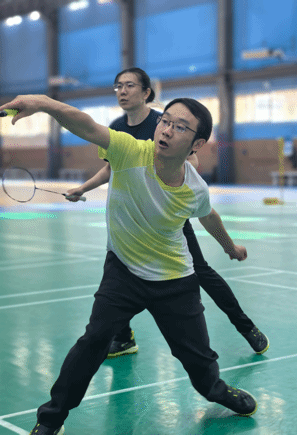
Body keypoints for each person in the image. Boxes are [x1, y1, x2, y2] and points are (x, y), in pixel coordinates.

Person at [0, 94, 258, 435]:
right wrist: (44, 103)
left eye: (180, 127)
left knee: (199, 361)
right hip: (122, 272)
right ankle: (50, 419)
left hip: (174, 280)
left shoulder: (195, 188)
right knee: (93, 342)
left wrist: (230, 247)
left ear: (197, 144)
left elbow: (208, 216)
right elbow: (85, 125)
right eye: (165, 121)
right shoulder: (129, 151)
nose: (167, 130)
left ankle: (216, 390)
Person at [66, 67, 268, 360]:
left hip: (168, 220)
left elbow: (191, 162)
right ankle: (123, 337)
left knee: (202, 272)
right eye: (118, 86)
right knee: (119, 277)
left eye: (130, 85)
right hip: (133, 221)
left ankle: (246, 327)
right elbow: (111, 167)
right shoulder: (117, 127)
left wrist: (170, 177)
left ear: (146, 92)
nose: (122, 91)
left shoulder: (164, 123)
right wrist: (83, 188)